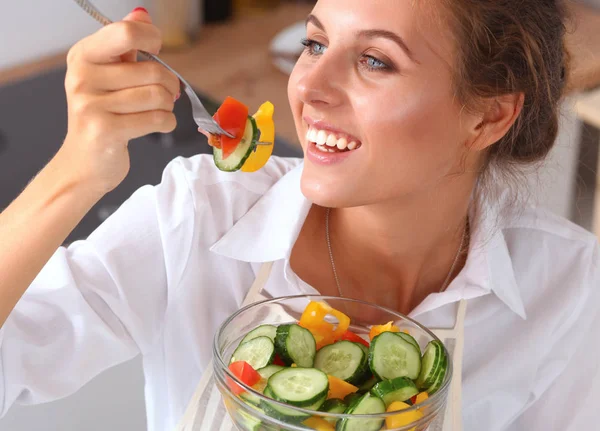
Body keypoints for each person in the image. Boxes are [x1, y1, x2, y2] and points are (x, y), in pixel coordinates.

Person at [0, 1, 598, 430]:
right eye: (315, 43)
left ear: (488, 117)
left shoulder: (567, 285)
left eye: (374, 60)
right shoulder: (201, 214)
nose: (310, 85)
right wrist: (76, 172)